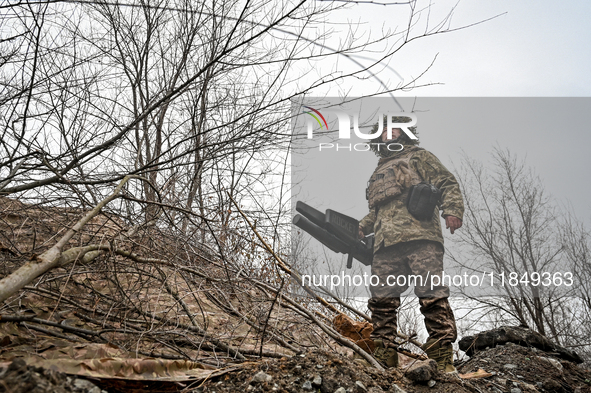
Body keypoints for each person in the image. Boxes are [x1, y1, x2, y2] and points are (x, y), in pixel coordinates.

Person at [358, 118, 464, 372]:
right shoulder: (379, 171)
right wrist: (362, 225)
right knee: (382, 301)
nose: (389, 133)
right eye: (384, 130)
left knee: (431, 294)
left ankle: (441, 355)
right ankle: (385, 355)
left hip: (420, 237)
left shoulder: (420, 157)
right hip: (385, 245)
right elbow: (379, 210)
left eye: (394, 128)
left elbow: (447, 183)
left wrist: (452, 210)